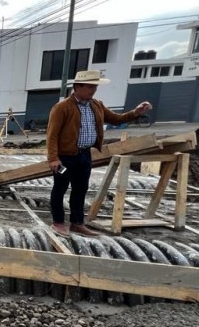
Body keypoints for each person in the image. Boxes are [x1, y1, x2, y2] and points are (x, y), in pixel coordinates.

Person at [47, 69, 152, 238]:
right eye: (89, 87)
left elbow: (116, 119)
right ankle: (58, 223)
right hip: (66, 158)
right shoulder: (62, 108)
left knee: (80, 189)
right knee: (60, 188)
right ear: (77, 87)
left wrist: (136, 113)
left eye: (94, 87)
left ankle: (77, 223)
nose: (93, 90)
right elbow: (52, 135)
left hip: (84, 156)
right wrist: (53, 158)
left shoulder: (97, 105)